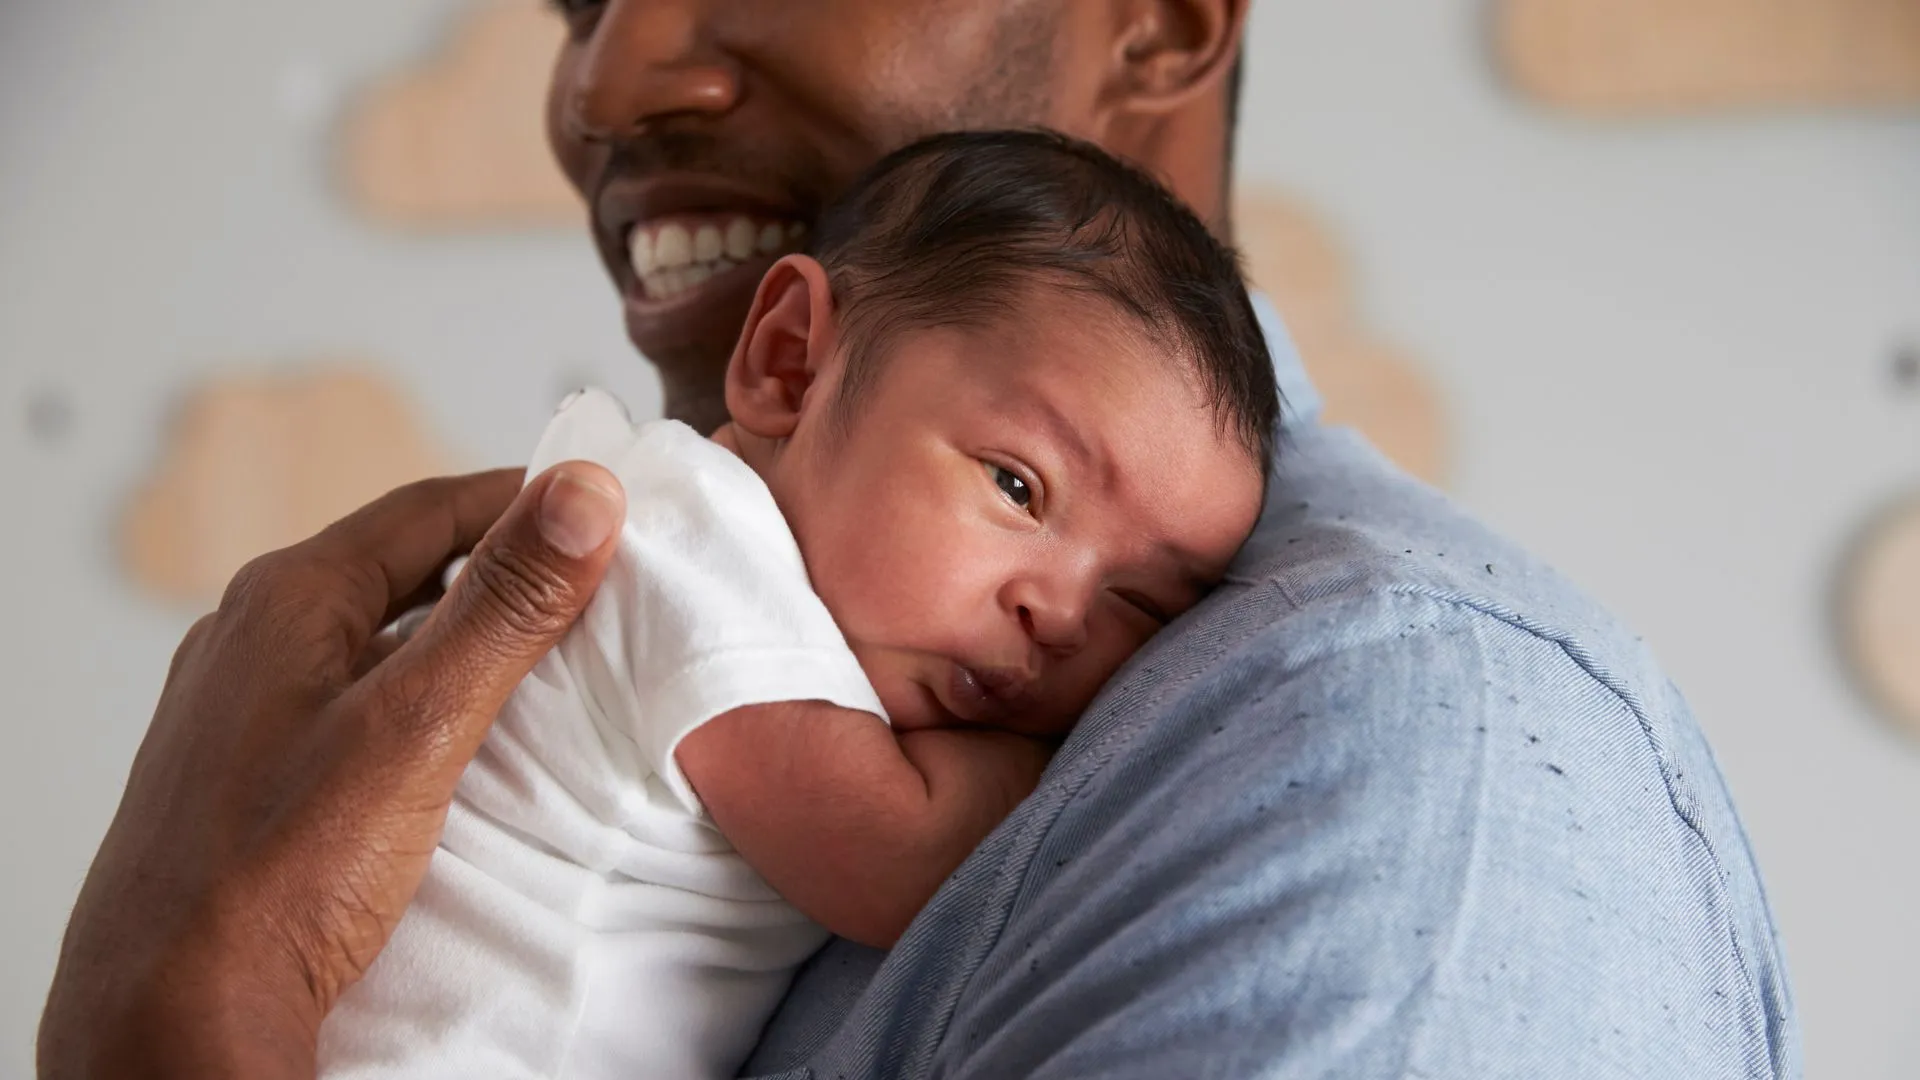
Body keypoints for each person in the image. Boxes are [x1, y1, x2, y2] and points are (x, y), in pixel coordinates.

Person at [38, 2, 1800, 1078]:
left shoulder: (1400, 769)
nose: (607, 72)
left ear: (1163, 19)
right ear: (793, 355)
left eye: (1148, 603)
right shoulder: (708, 565)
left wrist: (167, 1040)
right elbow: (883, 845)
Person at [318, 130, 1277, 1080]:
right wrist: (1069, 761)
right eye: (1018, 488)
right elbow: (902, 859)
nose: (1063, 618)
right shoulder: (688, 549)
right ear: (791, 365)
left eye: (1142, 605)